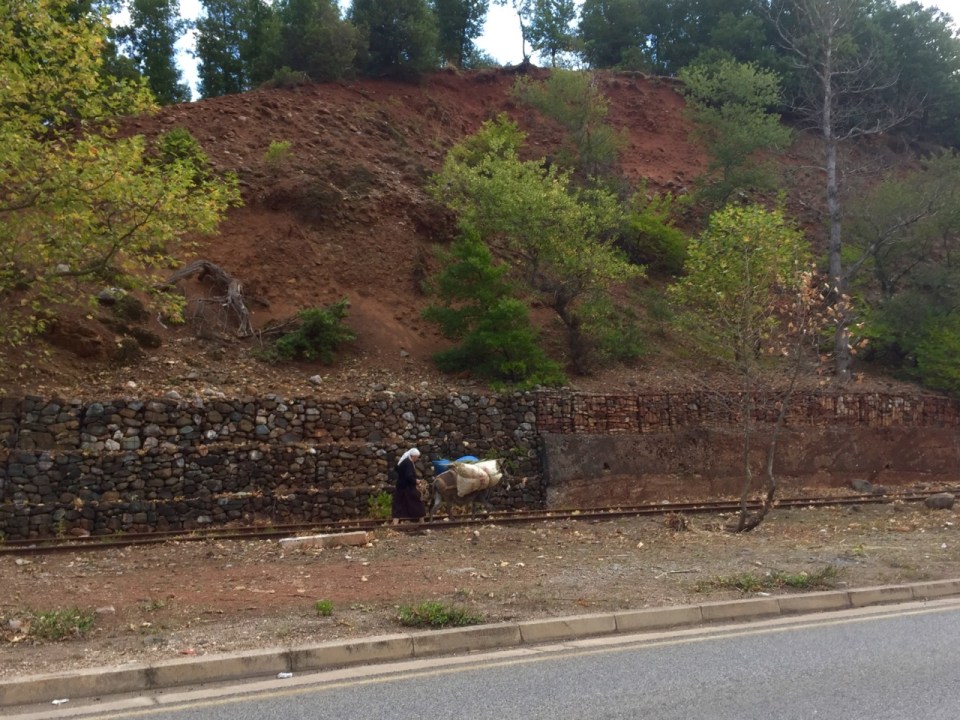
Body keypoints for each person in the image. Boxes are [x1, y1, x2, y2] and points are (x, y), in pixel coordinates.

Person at [392, 447, 427, 523]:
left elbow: (398, 470)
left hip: (400, 487)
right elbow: (408, 476)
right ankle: (422, 523)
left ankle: (395, 524)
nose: (417, 459)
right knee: (418, 503)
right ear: (413, 456)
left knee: (398, 505)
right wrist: (416, 481)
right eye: (417, 457)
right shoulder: (408, 463)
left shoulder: (404, 461)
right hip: (407, 488)